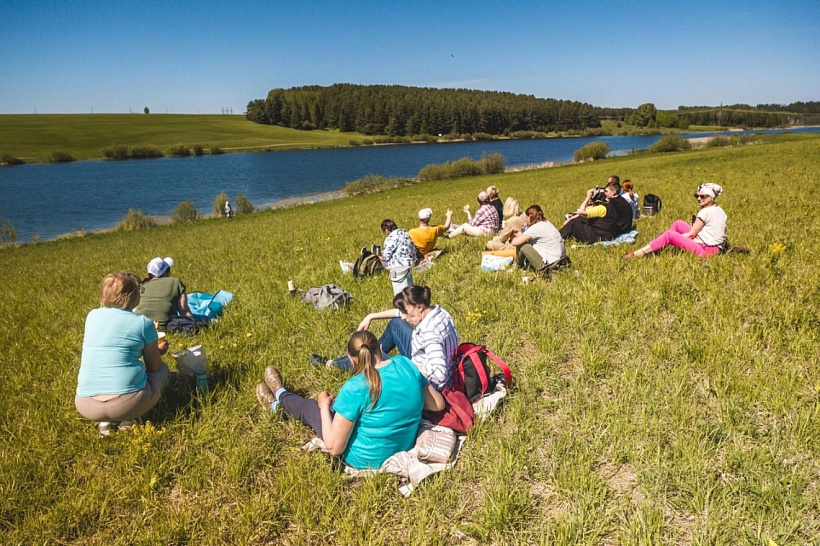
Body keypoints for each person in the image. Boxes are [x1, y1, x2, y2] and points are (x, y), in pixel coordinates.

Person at [256, 330, 445, 470]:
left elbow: (334, 448)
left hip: (364, 459)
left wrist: (323, 406)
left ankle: (278, 397)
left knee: (310, 407)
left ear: (351, 359)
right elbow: (437, 404)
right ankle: (278, 401)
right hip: (403, 444)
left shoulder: (356, 387)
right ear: (380, 347)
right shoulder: (405, 364)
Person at [75, 272, 171, 436]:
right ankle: (130, 419)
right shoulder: (142, 322)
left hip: (85, 404)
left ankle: (105, 422)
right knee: (163, 372)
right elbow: (153, 366)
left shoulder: (92, 316)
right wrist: (159, 352)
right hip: (127, 403)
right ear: (134, 296)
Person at [315, 286, 459, 392]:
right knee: (396, 323)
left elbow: (439, 376)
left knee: (372, 354)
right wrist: (371, 316)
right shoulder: (437, 312)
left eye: (406, 312)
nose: (403, 316)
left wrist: (404, 367)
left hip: (426, 383)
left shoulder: (430, 334)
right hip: (424, 356)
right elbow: (399, 313)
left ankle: (338, 364)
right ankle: (370, 354)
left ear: (420, 307)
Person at [625, 183, 727, 259]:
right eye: (697, 196)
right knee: (678, 223)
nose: (699, 198)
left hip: (706, 251)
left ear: (712, 197)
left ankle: (639, 253)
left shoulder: (705, 212)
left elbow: (691, 235)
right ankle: (661, 245)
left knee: (669, 235)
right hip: (715, 247)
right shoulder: (718, 209)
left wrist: (674, 238)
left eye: (703, 196)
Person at [559, 176, 633, 244]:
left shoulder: (606, 206)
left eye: (606, 191)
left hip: (611, 232)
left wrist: (587, 198)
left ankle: (557, 238)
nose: (605, 193)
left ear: (613, 192)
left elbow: (581, 212)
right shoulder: (621, 200)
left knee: (575, 222)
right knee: (583, 220)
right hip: (618, 229)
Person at [133, 257, 193, 328]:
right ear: (165, 272)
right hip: (164, 326)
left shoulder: (141, 285)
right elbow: (184, 310)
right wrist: (193, 323)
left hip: (139, 326)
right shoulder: (175, 282)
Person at [511, 204, 569, 275]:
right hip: (562, 262)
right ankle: (524, 266)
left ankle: (518, 267)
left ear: (529, 216)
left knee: (522, 245)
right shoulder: (547, 223)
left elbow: (515, 242)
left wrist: (517, 234)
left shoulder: (536, 227)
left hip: (549, 267)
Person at [378, 219, 416, 294]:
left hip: (399, 265)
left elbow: (385, 257)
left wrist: (378, 256)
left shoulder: (391, 238)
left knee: (378, 261)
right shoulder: (405, 233)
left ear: (386, 229)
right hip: (411, 261)